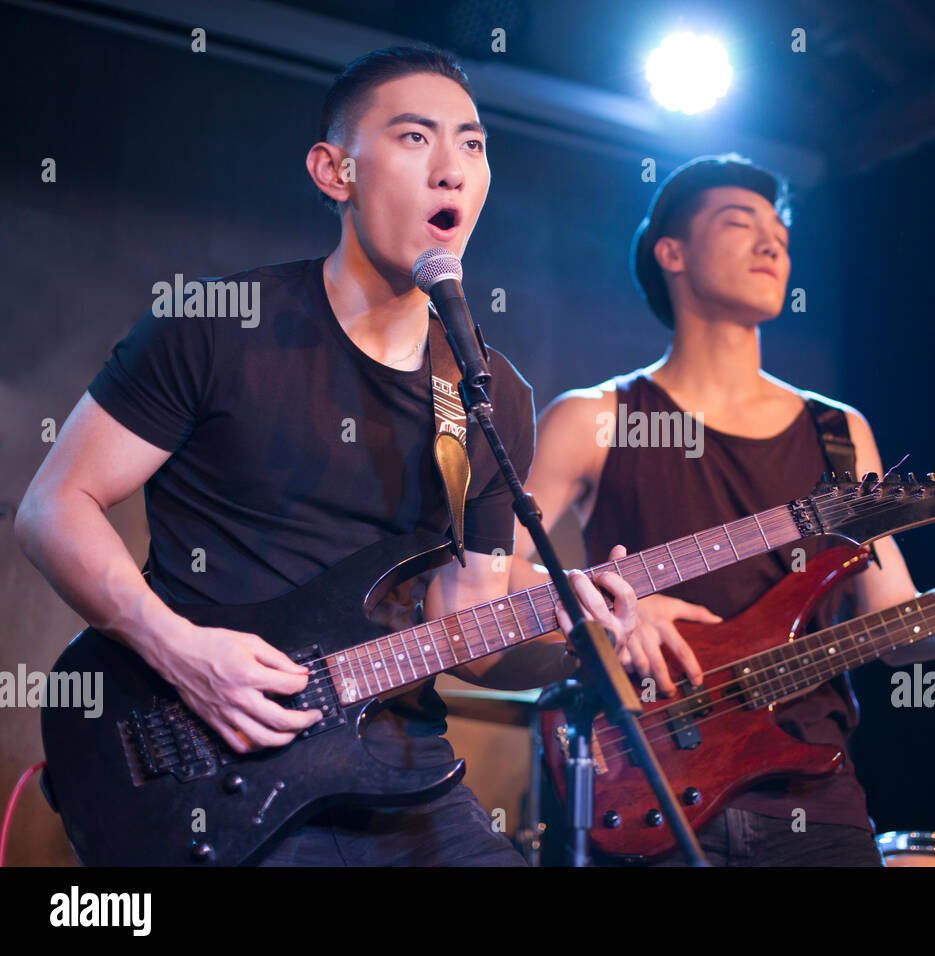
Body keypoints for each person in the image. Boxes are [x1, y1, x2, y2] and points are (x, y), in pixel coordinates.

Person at [14, 44, 636, 867]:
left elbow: (469, 634)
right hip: (212, 765)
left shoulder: (488, 395)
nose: (453, 169)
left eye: (474, 144)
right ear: (334, 171)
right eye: (416, 137)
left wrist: (569, 632)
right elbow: (52, 507)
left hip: (402, 776)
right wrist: (177, 648)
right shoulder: (219, 326)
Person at [508, 154, 935, 866]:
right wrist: (611, 608)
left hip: (813, 802)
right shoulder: (597, 417)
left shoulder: (839, 434)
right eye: (738, 221)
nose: (772, 240)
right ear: (672, 253)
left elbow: (896, 625)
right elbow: (493, 571)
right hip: (648, 785)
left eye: (779, 228)